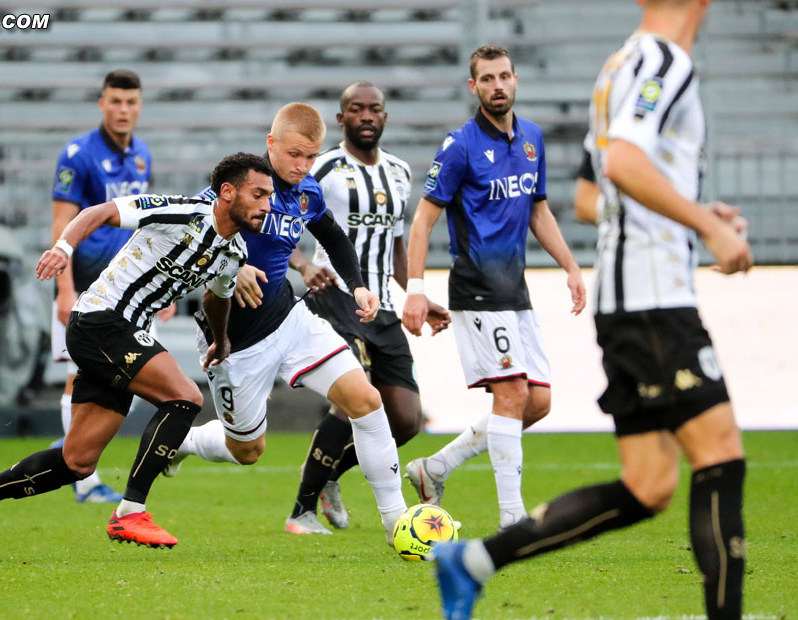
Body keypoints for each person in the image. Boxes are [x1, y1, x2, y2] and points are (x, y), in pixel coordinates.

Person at [433, 2, 753, 619]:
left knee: (649, 484)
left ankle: (475, 560)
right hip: (654, 299)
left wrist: (698, 214)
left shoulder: (620, 66)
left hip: (628, 300)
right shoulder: (664, 60)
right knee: (720, 456)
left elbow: (586, 196)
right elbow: (626, 165)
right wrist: (705, 229)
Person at [0, 153, 274, 561]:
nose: (266, 205)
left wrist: (221, 342)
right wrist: (64, 248)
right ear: (227, 192)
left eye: (269, 197)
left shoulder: (233, 253)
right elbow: (99, 211)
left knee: (77, 461)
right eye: (258, 194)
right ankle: (131, 511)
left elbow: (217, 297)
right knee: (185, 397)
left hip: (121, 334)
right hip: (100, 319)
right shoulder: (184, 213)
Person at [164, 102, 407, 544]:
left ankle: (398, 524)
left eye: (311, 157)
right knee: (247, 451)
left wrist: (357, 286)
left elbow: (333, 235)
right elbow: (194, 237)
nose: (302, 166)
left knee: (366, 401)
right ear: (270, 143)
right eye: (294, 155)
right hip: (234, 340)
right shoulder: (240, 188)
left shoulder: (307, 191)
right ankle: (187, 443)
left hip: (290, 318)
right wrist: (229, 266)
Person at [402, 45, 586, 530]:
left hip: (516, 290)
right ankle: (512, 520)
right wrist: (416, 289)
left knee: (537, 403)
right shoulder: (459, 146)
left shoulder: (532, 139)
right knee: (510, 395)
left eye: (504, 76)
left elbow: (538, 210)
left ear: (516, 80)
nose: (497, 85)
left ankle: (434, 468)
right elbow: (422, 222)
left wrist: (569, 265)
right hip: (477, 286)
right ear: (474, 87)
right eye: (487, 79)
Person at [283, 82, 450, 534]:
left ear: (384, 116)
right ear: (342, 119)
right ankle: (301, 511)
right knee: (354, 396)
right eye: (355, 109)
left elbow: (396, 242)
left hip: (381, 302)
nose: (366, 116)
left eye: (374, 109)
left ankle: (330, 474)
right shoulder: (324, 167)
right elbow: (285, 223)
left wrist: (416, 290)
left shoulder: (398, 171)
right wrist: (302, 264)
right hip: (333, 295)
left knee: (405, 418)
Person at [50, 69, 169, 503]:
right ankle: (82, 479)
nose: (123, 110)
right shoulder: (78, 154)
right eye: (115, 101)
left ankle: (68, 453)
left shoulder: (141, 155)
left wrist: (160, 289)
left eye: (131, 102)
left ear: (140, 105)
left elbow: (147, 225)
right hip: (85, 287)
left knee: (130, 379)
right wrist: (65, 290)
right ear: (102, 103)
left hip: (132, 288)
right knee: (75, 377)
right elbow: (62, 224)